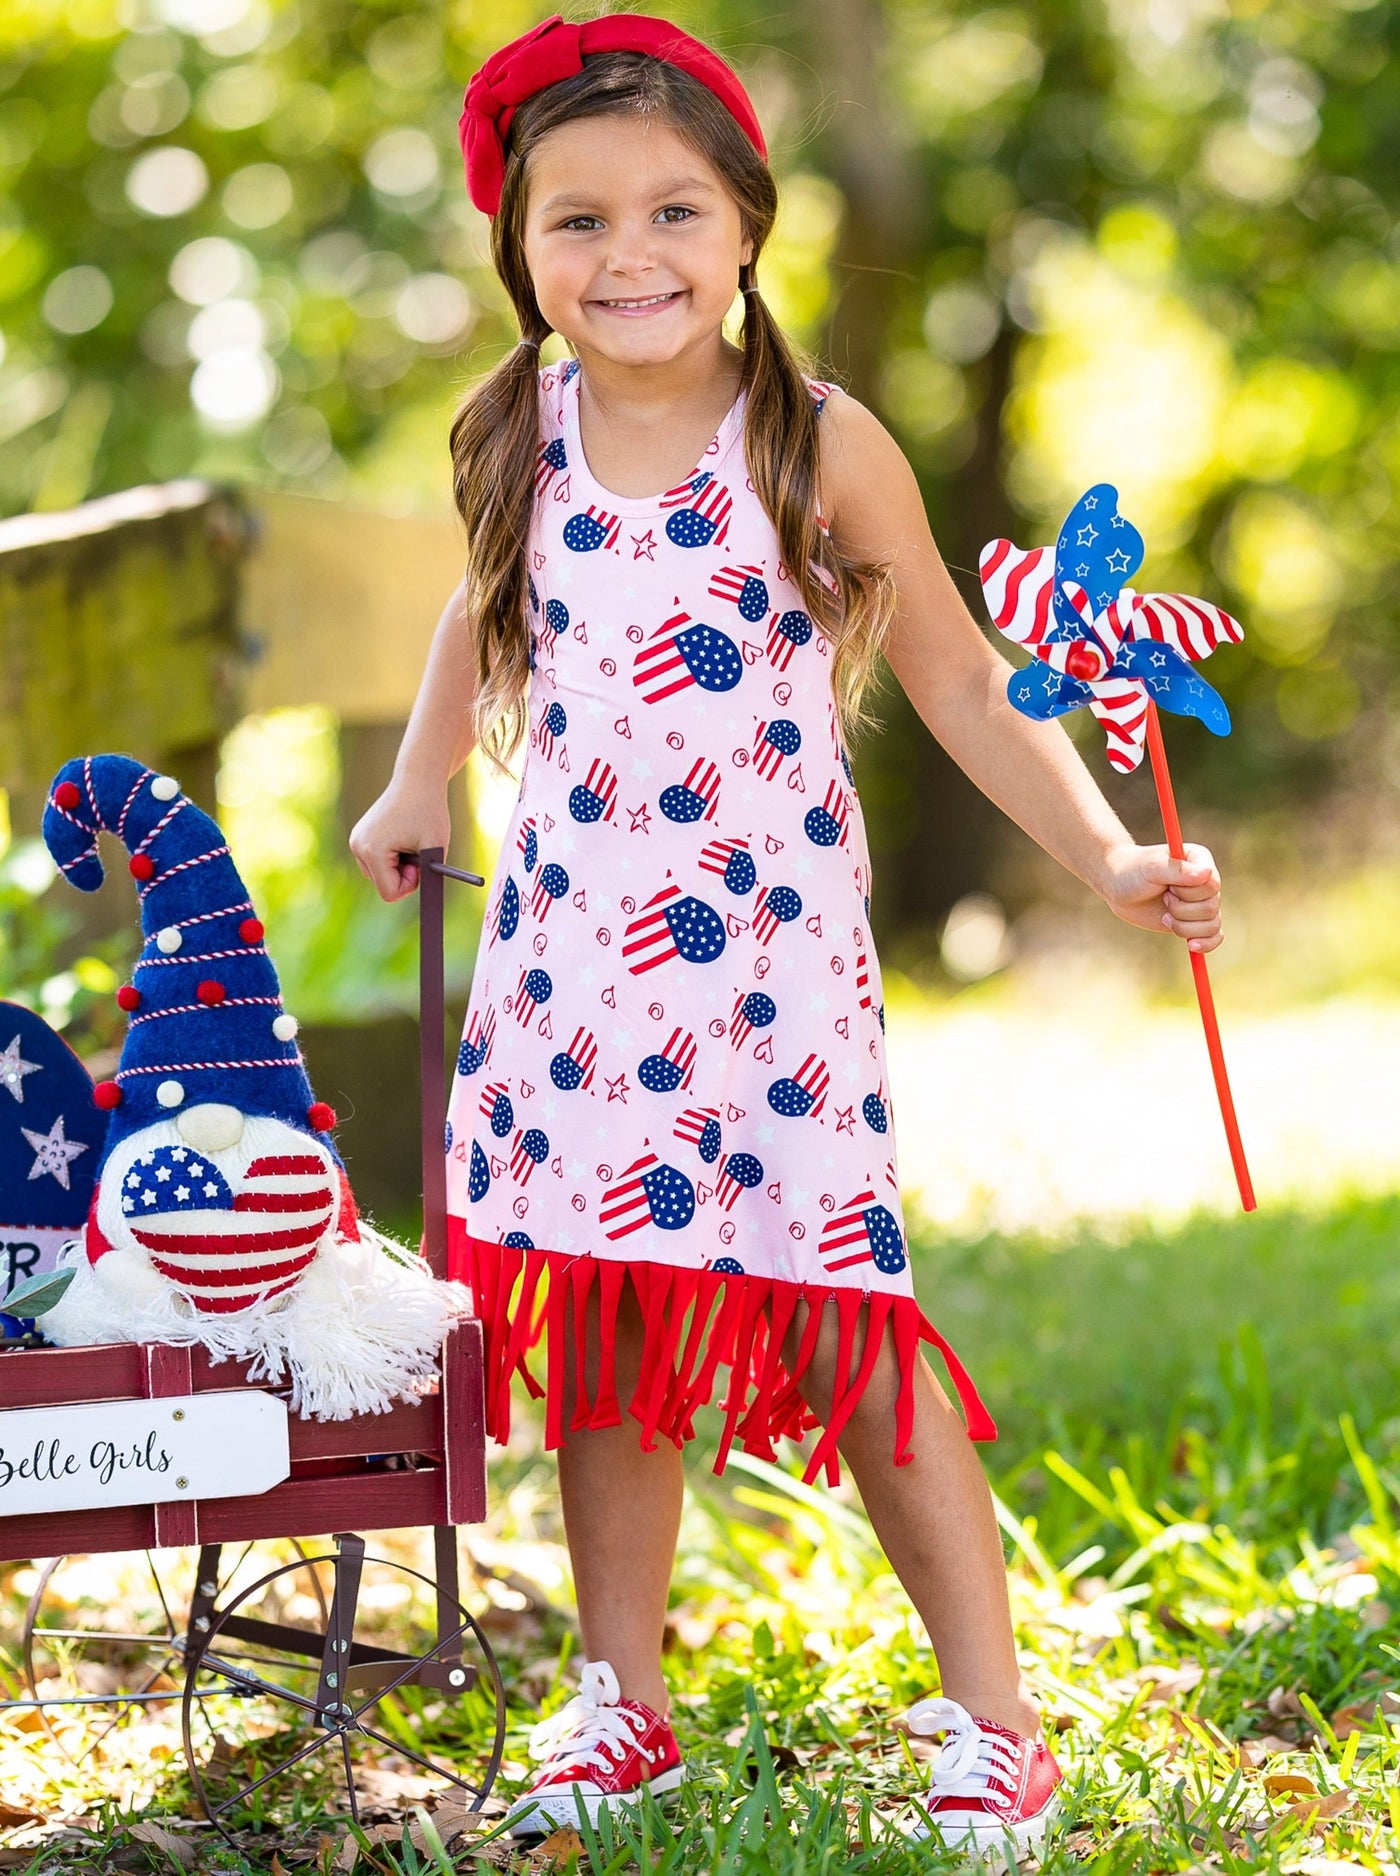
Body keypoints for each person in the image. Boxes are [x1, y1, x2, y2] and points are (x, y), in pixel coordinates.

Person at [349, 11, 1224, 1853]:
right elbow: (477, 618)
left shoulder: (812, 443)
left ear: (749, 224)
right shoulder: (523, 424)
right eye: (574, 222)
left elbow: (970, 687)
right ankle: (620, 1701)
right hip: (576, 965)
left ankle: (995, 1721)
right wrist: (420, 784)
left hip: (761, 981)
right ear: (517, 248)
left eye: (672, 211)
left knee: (842, 1314)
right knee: (604, 1317)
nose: (627, 257)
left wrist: (1103, 864)